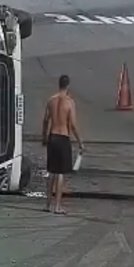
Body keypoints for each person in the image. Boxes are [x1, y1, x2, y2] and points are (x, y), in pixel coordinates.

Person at [41, 74, 83, 214]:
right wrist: (80, 142)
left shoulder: (50, 100)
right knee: (60, 174)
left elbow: (45, 120)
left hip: (52, 137)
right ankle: (57, 206)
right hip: (63, 137)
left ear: (58, 84)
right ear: (68, 86)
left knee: (51, 172)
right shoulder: (70, 102)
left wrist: (44, 137)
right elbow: (73, 125)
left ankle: (47, 204)